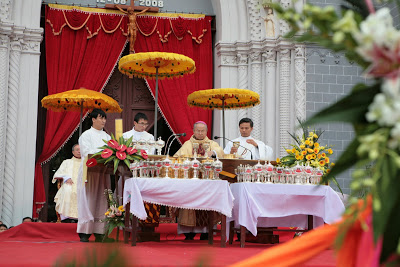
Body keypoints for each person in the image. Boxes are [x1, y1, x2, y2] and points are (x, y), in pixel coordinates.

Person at [174, 121, 224, 240]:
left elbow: (221, 153)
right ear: (194, 131)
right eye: (198, 131)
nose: (200, 133)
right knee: (189, 204)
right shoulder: (187, 144)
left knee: (206, 203)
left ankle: (207, 231)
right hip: (191, 180)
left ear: (206, 132)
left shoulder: (212, 144)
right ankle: (189, 232)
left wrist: (214, 153)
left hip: (207, 181)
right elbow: (177, 157)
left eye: (203, 131)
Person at [77, 109, 113, 243]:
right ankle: (84, 232)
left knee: (103, 200)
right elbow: (87, 152)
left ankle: (100, 232)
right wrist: (103, 153)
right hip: (90, 171)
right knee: (89, 199)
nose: (103, 121)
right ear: (93, 119)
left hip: (103, 172)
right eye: (101, 118)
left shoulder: (107, 136)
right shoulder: (86, 135)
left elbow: (111, 150)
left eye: (105, 118)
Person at [52, 144, 81, 223]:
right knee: (67, 191)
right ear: (73, 152)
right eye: (77, 149)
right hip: (69, 184)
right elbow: (58, 174)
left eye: (81, 150)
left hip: (83, 185)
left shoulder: (86, 163)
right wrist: (66, 177)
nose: (79, 151)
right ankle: (66, 218)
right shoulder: (67, 162)